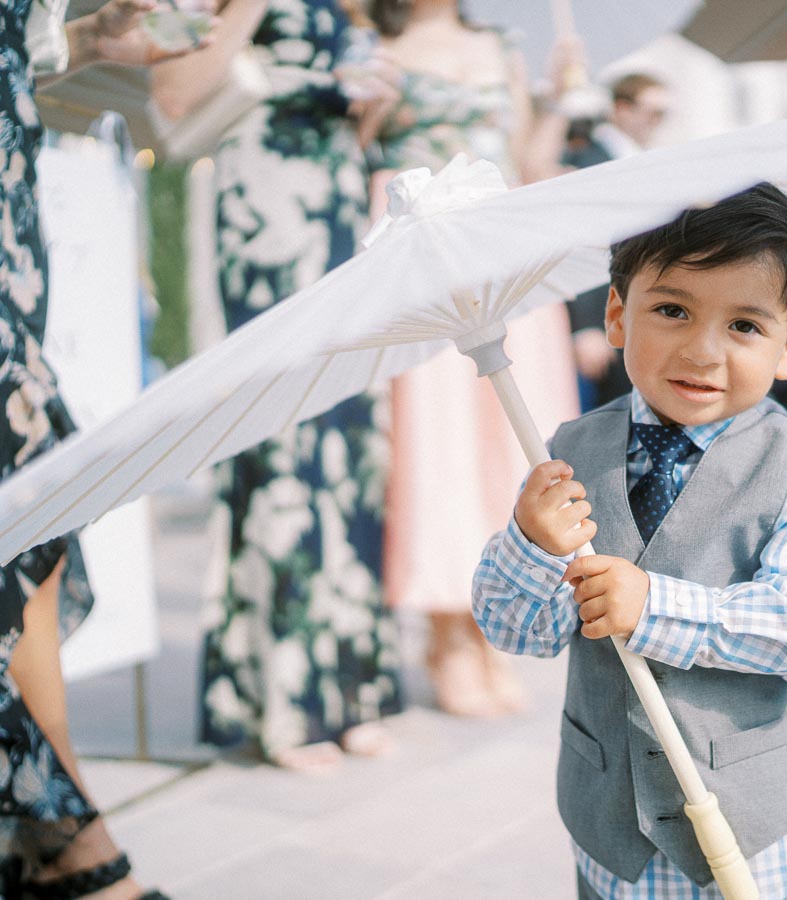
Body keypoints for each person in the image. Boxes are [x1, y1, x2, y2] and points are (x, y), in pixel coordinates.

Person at [473, 183, 787, 898]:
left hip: (766, 838)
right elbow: (519, 630)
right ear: (616, 314)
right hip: (616, 838)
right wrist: (532, 544)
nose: (701, 350)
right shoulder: (569, 452)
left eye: (745, 327)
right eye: (671, 310)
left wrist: (658, 609)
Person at [151, 0, 405, 772]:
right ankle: (283, 702)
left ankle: (352, 689)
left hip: (337, 214)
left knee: (352, 447)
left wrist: (374, 106)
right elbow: (173, 98)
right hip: (261, 221)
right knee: (284, 445)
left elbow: (353, 131)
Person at [1, 0, 209, 893]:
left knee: (32, 528)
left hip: (13, 226)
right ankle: (64, 836)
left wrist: (85, 42)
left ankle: (51, 833)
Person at [370, 0, 579, 717]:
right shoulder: (377, 41)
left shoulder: (503, 47)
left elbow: (530, 162)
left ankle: (491, 619)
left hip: (499, 243)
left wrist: (559, 99)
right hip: (419, 247)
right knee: (439, 436)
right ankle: (445, 632)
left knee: (512, 432)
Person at [563, 72, 671, 411]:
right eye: (654, 112)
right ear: (621, 109)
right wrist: (587, 326)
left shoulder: (639, 160)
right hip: (602, 323)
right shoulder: (589, 162)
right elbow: (581, 245)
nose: (658, 123)